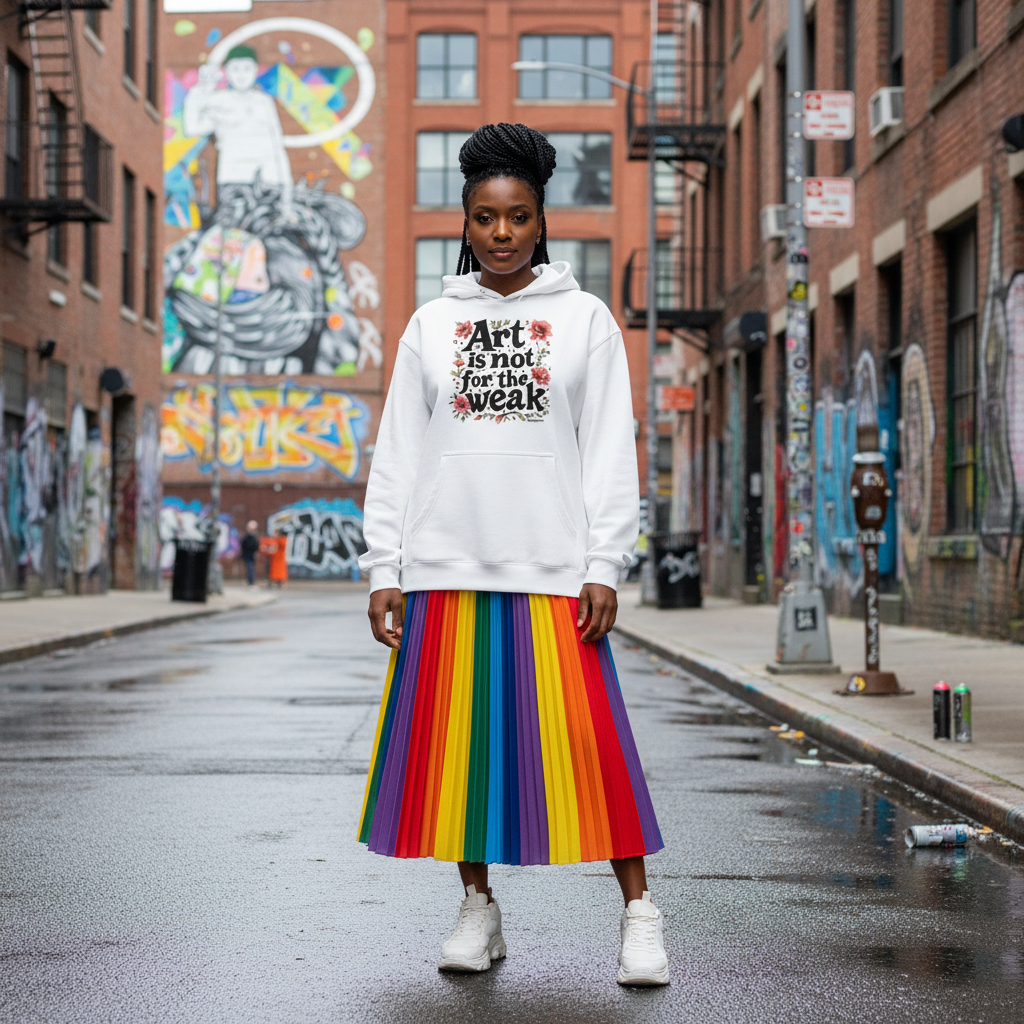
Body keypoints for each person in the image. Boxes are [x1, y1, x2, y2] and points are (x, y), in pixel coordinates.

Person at [357, 123, 668, 986]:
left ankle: (640, 915)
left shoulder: (584, 320)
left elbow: (612, 446)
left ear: (540, 221)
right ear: (465, 222)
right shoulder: (431, 323)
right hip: (445, 570)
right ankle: (477, 907)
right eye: (486, 218)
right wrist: (386, 566)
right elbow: (398, 452)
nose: (501, 233)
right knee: (465, 755)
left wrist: (605, 560)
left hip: (552, 572)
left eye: (518, 217)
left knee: (592, 750)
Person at [240, 520, 259, 588]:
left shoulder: (250, 537)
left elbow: (246, 545)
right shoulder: (251, 537)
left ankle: (251, 581)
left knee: (250, 568)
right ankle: (250, 581)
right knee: (249, 568)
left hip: (249, 554)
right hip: (249, 554)